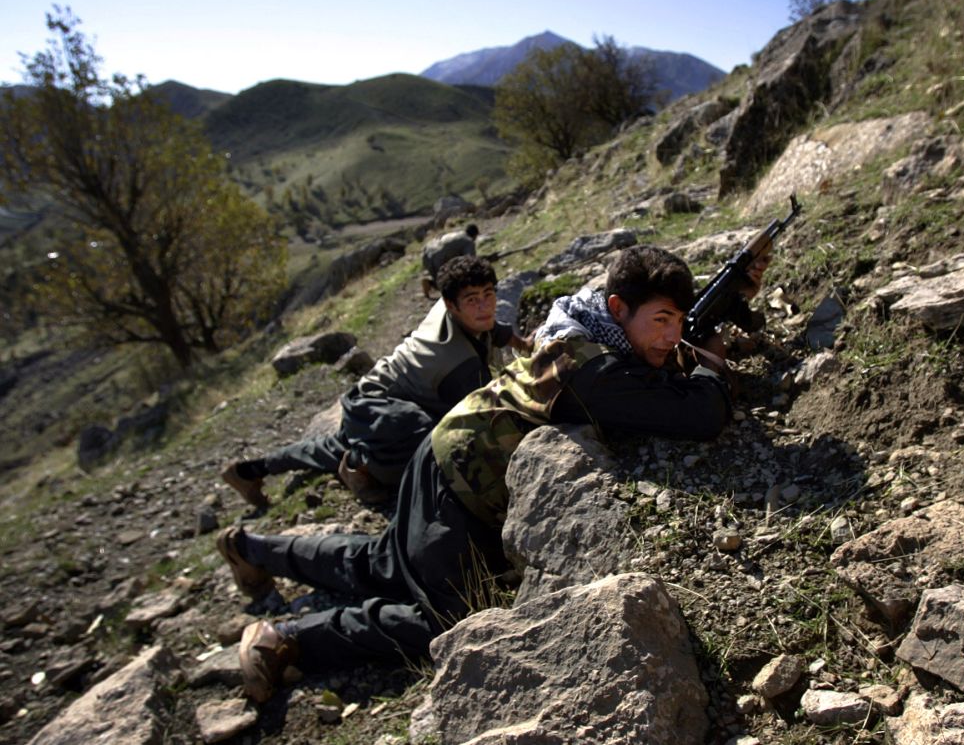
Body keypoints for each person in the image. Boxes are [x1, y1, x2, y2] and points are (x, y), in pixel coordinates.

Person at [218, 245, 752, 703]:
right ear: (619, 308)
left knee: (383, 562)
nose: (672, 334)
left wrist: (705, 322)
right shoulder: (592, 371)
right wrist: (713, 364)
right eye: (661, 320)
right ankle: (282, 637)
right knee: (448, 621)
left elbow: (653, 364)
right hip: (460, 483)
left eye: (680, 321)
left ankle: (251, 548)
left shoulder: (590, 324)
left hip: (446, 452)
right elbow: (699, 415)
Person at [222, 255, 529, 507]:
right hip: (381, 409)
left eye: (489, 294)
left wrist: (524, 345)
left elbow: (494, 328)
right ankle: (361, 466)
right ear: (451, 305)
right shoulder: (458, 364)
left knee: (327, 448)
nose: (484, 306)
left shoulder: (455, 310)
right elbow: (480, 419)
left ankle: (251, 469)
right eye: (473, 299)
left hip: (375, 397)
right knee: (433, 452)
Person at [421, 224, 479, 299]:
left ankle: (428, 283)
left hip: (428, 252)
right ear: (475, 235)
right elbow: (469, 260)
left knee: (439, 277)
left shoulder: (458, 234)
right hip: (439, 258)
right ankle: (430, 282)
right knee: (446, 283)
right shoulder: (468, 241)